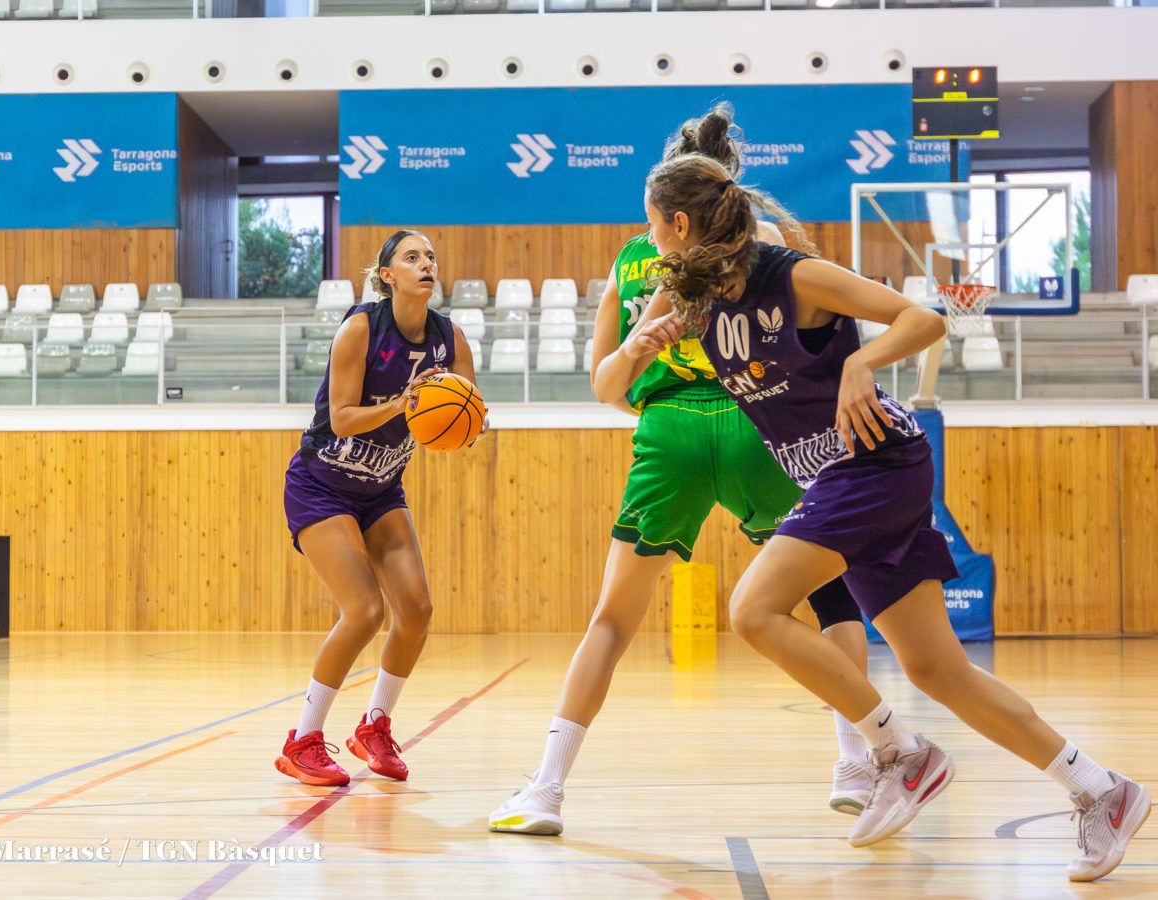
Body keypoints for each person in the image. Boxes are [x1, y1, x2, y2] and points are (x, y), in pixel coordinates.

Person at [617, 152, 1150, 882]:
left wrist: (861, 366)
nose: (648, 240)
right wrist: (637, 348)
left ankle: (900, 753)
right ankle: (1102, 791)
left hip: (871, 462)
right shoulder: (692, 300)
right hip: (848, 477)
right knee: (937, 668)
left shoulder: (793, 275)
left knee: (752, 610)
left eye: (651, 226)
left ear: (678, 223)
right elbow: (611, 386)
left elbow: (922, 317)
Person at [488, 106, 876, 837]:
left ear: (671, 208)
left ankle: (544, 789)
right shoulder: (769, 242)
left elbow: (607, 390)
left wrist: (639, 348)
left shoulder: (634, 260)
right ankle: (858, 760)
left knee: (611, 619)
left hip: (667, 435)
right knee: (833, 602)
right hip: (765, 422)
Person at [275, 229, 481, 787]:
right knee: (365, 611)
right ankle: (303, 741)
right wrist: (402, 405)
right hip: (321, 484)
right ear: (387, 275)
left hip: (381, 489)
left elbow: (463, 413)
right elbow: (341, 418)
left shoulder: (451, 339)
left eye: (431, 256)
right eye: (412, 257)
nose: (426, 264)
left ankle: (374, 726)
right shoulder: (361, 328)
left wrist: (464, 422)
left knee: (415, 610)